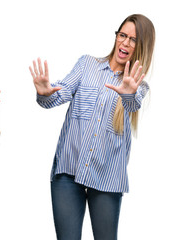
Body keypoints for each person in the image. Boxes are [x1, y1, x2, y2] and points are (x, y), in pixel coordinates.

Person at [29, 14, 155, 240]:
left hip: (107, 177)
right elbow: (61, 92)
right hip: (68, 172)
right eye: (122, 35)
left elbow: (133, 104)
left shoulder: (139, 87)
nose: (125, 43)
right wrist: (44, 93)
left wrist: (128, 92)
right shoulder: (87, 64)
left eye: (133, 39)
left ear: (142, 46)